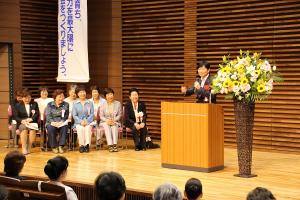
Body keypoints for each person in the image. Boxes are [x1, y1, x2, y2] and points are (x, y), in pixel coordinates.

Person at [14, 89, 39, 155]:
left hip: (32, 122)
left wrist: (31, 119)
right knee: (24, 129)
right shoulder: (17, 105)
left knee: (32, 130)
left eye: (29, 98)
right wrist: (22, 121)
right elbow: (16, 116)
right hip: (22, 122)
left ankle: (29, 147)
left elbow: (36, 114)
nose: (27, 100)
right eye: (25, 98)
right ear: (22, 98)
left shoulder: (34, 104)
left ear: (31, 97)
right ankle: (24, 147)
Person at [46, 89, 69, 154]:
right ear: (55, 97)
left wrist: (62, 121)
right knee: (50, 128)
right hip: (51, 122)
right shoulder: (50, 104)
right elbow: (48, 116)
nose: (61, 98)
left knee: (65, 127)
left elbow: (66, 115)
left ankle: (61, 146)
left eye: (62, 96)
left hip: (61, 122)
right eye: (59, 96)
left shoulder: (66, 104)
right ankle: (54, 146)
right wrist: (53, 122)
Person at [72, 85, 94, 153]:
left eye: (83, 92)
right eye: (80, 92)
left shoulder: (90, 103)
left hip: (88, 121)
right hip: (78, 122)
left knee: (87, 128)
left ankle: (87, 145)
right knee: (80, 128)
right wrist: (81, 121)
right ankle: (81, 145)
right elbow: (74, 115)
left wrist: (87, 121)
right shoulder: (75, 103)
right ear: (77, 94)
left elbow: (92, 114)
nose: (82, 93)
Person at [100, 88, 122, 152]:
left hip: (115, 121)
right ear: (105, 96)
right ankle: (110, 145)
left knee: (114, 126)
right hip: (105, 122)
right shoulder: (102, 104)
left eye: (111, 94)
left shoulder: (118, 103)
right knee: (106, 126)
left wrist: (114, 120)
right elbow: (101, 116)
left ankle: (114, 145)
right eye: (108, 94)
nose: (110, 96)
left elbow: (119, 115)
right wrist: (107, 121)